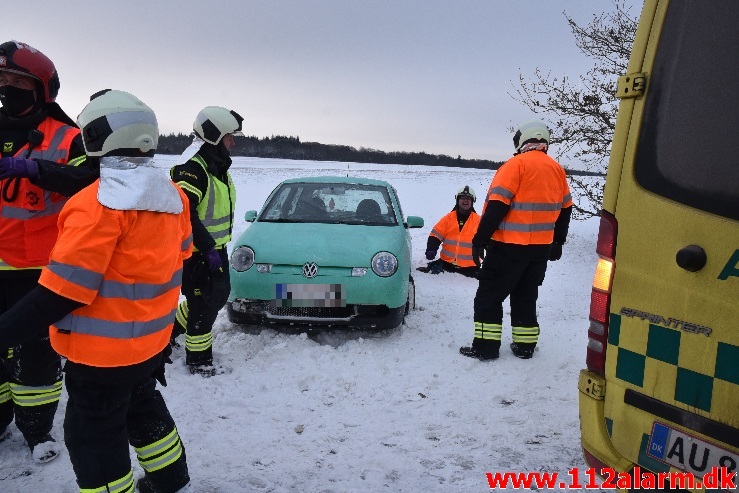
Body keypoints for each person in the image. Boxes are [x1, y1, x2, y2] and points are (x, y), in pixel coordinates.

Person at [0, 89, 193, 492]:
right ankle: (171, 482)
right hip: (149, 344)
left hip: (100, 356)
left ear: (96, 137)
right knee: (143, 409)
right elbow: (179, 258)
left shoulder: (95, 204)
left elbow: (59, 293)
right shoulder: (172, 196)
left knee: (93, 436)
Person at [0, 40, 98, 463]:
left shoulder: (69, 138)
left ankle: (37, 431)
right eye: (1, 80)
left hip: (43, 273)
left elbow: (92, 180)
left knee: (38, 358)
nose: (6, 88)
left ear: (40, 89)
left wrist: (34, 169)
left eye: (16, 81)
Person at [459, 120, 572, 360]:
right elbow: (566, 209)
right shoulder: (557, 170)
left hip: (508, 248)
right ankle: (524, 347)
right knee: (526, 296)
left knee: (489, 297)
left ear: (522, 141)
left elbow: (497, 206)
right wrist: (557, 242)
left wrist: (479, 240)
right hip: (539, 251)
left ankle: (485, 348)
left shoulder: (515, 165)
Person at [170, 106, 243, 376]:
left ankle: (170, 331)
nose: (233, 142)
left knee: (216, 297)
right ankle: (199, 361)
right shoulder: (192, 169)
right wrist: (208, 248)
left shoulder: (216, 166)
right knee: (204, 305)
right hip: (197, 253)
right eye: (229, 137)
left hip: (215, 249)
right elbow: (184, 213)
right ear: (214, 136)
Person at [418, 185, 481, 278]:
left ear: (472, 201)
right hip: (446, 265)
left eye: (468, 198)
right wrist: (431, 249)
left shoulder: (479, 221)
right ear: (457, 200)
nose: (465, 200)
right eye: (462, 198)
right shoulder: (448, 218)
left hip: (471, 268)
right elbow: (435, 236)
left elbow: (489, 242)